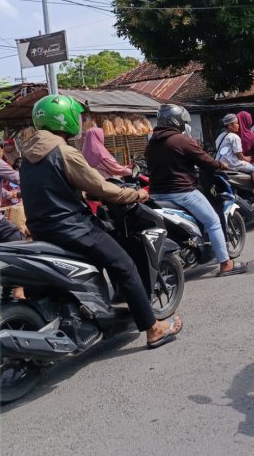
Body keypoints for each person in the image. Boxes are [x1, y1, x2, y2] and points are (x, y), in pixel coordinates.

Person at [20, 94, 182, 349]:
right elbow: (103, 188)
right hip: (74, 227)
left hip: (43, 229)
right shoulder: (64, 151)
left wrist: (81, 193)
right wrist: (137, 194)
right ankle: (153, 328)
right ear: (67, 119)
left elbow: (52, 189)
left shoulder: (27, 155)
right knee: (125, 265)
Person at [146, 104, 247, 277]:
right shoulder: (182, 140)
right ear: (177, 121)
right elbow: (205, 160)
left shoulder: (152, 142)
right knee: (213, 221)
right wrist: (220, 164)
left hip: (156, 194)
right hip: (182, 193)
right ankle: (226, 264)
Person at [214, 114, 254, 202]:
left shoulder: (220, 136)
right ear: (230, 125)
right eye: (236, 123)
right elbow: (238, 153)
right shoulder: (234, 137)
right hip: (232, 163)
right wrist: (245, 158)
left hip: (219, 162)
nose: (238, 125)